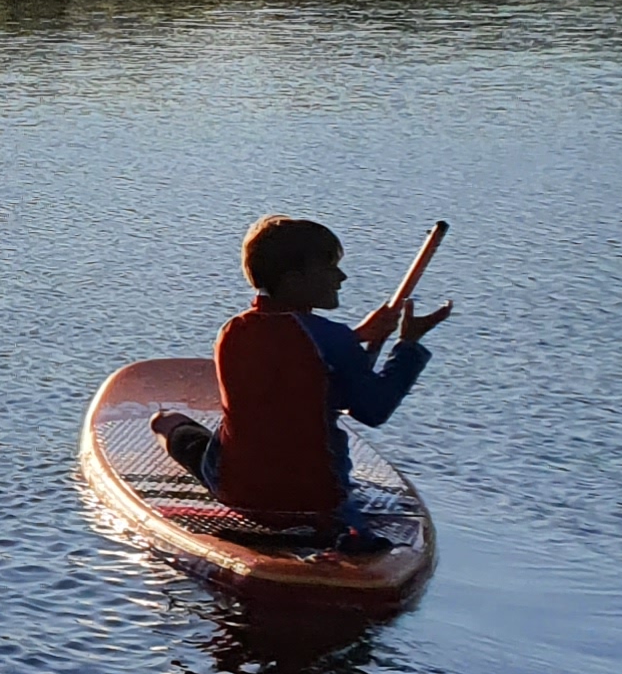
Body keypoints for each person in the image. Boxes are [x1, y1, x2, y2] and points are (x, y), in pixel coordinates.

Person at [149, 214, 454, 554]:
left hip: (236, 487)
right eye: (329, 268)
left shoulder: (231, 332)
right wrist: (408, 345)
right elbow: (372, 409)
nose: (341, 277)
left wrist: (357, 338)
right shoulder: (333, 341)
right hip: (319, 501)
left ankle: (163, 423)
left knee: (167, 422)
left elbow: (298, 366)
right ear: (295, 280)